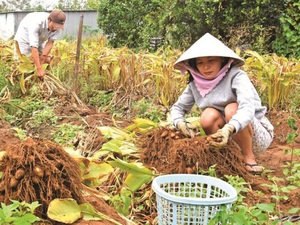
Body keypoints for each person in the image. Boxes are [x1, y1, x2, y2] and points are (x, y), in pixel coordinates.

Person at [170, 33, 274, 175]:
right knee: (208, 116)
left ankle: (249, 158)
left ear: (222, 60)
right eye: (200, 63)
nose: (206, 67)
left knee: (232, 109)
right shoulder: (195, 84)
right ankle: (229, 158)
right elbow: (178, 108)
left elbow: (247, 108)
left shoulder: (237, 76)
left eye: (211, 61)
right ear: (194, 65)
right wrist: (180, 123)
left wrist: (229, 128)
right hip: (225, 137)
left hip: (255, 135)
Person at [14, 9, 66, 80]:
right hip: (24, 39)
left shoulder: (57, 28)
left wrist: (43, 58)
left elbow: (50, 42)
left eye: (57, 27)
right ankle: (21, 80)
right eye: (53, 26)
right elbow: (33, 46)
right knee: (24, 61)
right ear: (49, 20)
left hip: (40, 39)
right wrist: (38, 68)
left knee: (41, 59)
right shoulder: (36, 22)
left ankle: (37, 80)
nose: (55, 29)